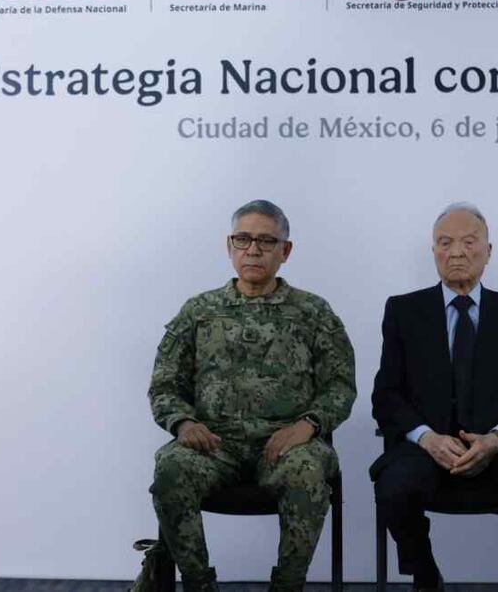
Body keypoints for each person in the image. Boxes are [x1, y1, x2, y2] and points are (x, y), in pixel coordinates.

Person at [148, 199, 356, 592]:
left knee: (308, 470)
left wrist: (308, 426)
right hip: (213, 444)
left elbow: (340, 386)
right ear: (230, 246)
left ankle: (288, 586)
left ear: (285, 251)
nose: (253, 249)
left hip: (286, 444)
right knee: (171, 468)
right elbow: (164, 384)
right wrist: (183, 421)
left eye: (266, 240)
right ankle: (198, 584)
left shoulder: (313, 313)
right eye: (243, 239)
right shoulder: (199, 311)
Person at [370, 202, 498, 592]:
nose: (457, 252)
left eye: (468, 242)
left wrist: (495, 440)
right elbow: (386, 396)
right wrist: (427, 438)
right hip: (427, 450)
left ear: (488, 251)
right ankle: (424, 573)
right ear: (433, 252)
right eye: (445, 243)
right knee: (393, 483)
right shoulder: (403, 311)